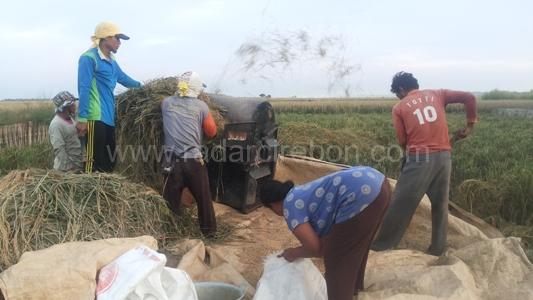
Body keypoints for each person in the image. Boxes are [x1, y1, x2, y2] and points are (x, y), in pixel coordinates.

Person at [372, 71, 478, 256]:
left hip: (420, 158)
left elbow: (402, 140)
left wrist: (410, 158)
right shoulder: (438, 94)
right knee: (440, 204)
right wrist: (469, 126)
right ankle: (437, 249)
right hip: (444, 157)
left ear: (402, 89)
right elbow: (469, 97)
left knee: (400, 203)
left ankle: (381, 246)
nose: (397, 97)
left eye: (397, 93)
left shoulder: (399, 108)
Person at [259, 166, 392, 300]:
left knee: (337, 259)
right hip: (379, 183)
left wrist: (294, 253)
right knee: (356, 246)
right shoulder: (299, 192)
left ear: (273, 205)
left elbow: (317, 249)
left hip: (361, 194)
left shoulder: (290, 208)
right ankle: (353, 289)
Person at [77, 21, 141, 173]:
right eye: (117, 39)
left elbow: (123, 78)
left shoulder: (112, 61)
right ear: (105, 38)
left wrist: (143, 87)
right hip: (94, 117)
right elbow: (83, 88)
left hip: (108, 118)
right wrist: (82, 118)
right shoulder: (89, 58)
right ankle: (91, 194)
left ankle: (107, 195)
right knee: (93, 162)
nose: (120, 43)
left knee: (109, 161)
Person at [161, 71, 218, 236]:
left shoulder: (165, 103)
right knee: (204, 199)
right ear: (197, 89)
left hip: (170, 161)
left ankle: (169, 233)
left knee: (170, 201)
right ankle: (209, 233)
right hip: (192, 161)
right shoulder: (201, 106)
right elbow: (212, 132)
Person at [49, 91, 84, 172]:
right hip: (66, 171)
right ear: (65, 106)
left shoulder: (71, 119)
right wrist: (69, 167)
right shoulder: (56, 124)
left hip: (77, 166)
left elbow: (72, 139)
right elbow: (59, 148)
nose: (75, 105)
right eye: (72, 104)